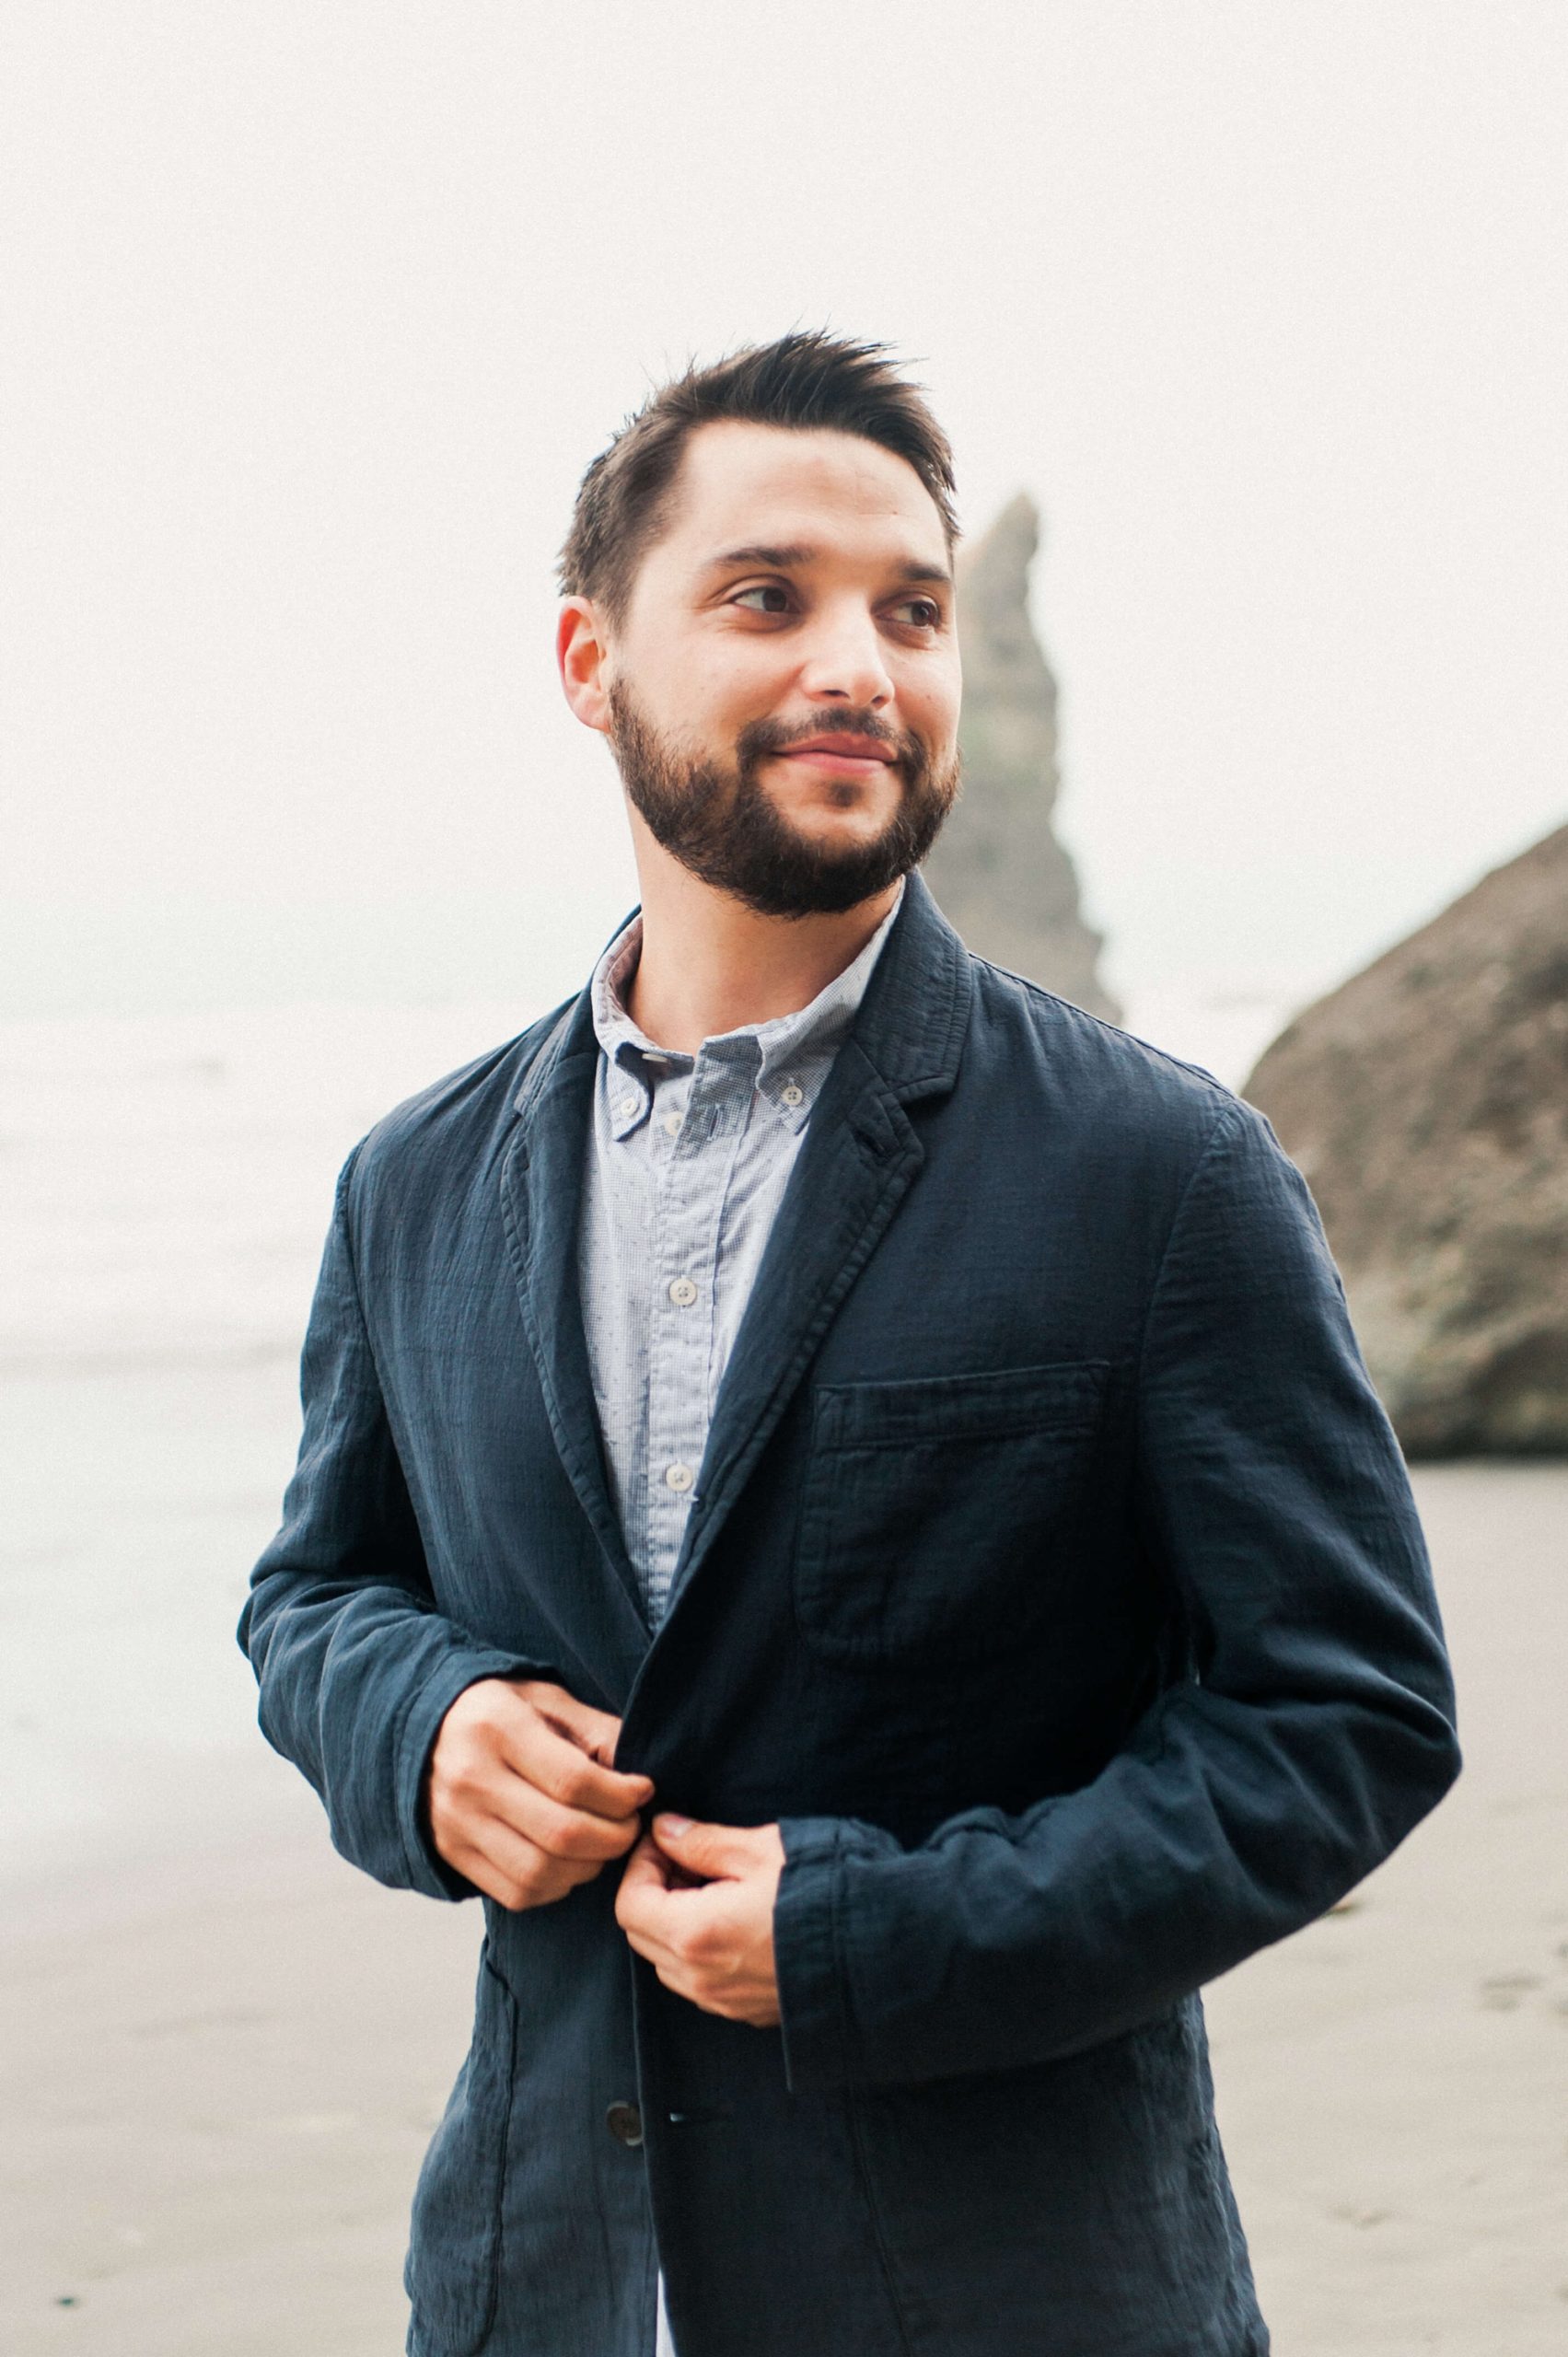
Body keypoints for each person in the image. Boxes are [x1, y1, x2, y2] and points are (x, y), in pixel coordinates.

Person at [238, 331, 1461, 2357]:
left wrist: (887, 1934)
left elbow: (1346, 1716)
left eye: (912, 608)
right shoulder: (417, 1183)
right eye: (764, 596)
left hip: (1016, 2289)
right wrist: (422, 1725)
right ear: (586, 660)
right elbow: (314, 1593)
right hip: (539, 2284)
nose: (857, 665)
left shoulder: (1162, 1170)